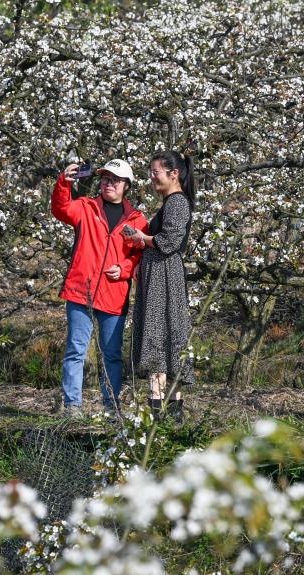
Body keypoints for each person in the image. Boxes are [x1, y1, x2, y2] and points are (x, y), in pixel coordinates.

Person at [50, 159, 147, 417]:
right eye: (105, 179)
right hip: (81, 291)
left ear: (126, 185)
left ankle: (111, 408)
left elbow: (141, 255)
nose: (108, 184)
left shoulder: (137, 220)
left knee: (112, 355)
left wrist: (125, 268)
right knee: (75, 350)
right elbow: (61, 209)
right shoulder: (86, 207)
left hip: (114, 295)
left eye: (114, 180)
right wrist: (64, 182)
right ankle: (72, 406)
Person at [126, 150, 195, 424]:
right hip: (158, 275)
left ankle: (163, 418)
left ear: (173, 173)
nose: (152, 177)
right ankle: (167, 416)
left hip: (165, 277)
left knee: (161, 334)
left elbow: (168, 241)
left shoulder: (177, 203)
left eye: (156, 172)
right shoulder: (171, 202)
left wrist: (142, 237)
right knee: (163, 335)